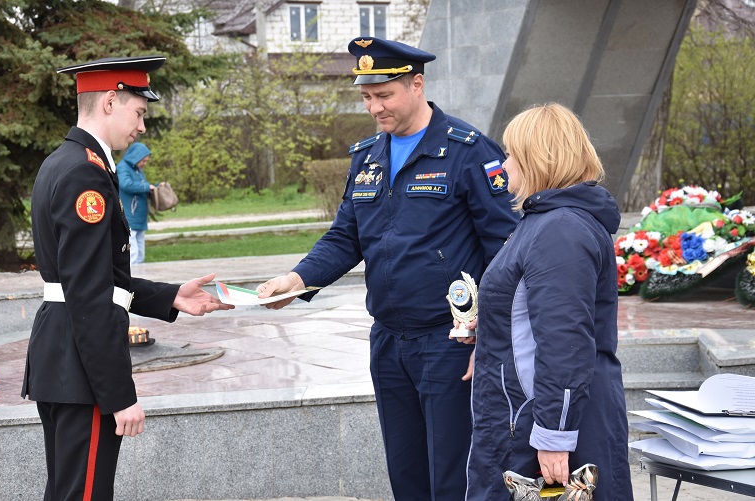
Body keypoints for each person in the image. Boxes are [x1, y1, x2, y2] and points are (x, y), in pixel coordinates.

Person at [256, 37, 519, 501]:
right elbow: (345, 238)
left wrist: (493, 334)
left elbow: (506, 247)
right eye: (366, 97)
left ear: (416, 85)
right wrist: (297, 280)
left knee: (453, 477)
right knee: (406, 474)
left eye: (384, 95)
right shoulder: (367, 158)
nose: (374, 107)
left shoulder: (468, 151)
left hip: (452, 343)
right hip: (389, 342)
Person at [21, 55, 233, 501]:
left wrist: (173, 297)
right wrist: (118, 395)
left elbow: (94, 278)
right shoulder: (86, 175)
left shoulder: (62, 162)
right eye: (139, 112)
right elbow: (91, 296)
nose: (141, 127)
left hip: (61, 358)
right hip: (83, 370)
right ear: (111, 102)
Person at [463, 103, 633, 500]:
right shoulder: (545, 220)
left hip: (538, 423)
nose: (503, 164)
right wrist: (490, 325)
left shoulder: (559, 229)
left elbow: (565, 341)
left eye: (510, 153)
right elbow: (533, 308)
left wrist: (554, 436)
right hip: (526, 415)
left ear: (538, 157)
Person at [117, 142, 155, 264]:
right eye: (143, 161)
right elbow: (126, 184)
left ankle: (140, 278)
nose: (145, 164)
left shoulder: (137, 169)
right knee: (132, 254)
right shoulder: (123, 167)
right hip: (129, 215)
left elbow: (142, 185)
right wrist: (147, 187)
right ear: (136, 157)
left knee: (140, 254)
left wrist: (157, 187)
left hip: (138, 216)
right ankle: (132, 279)